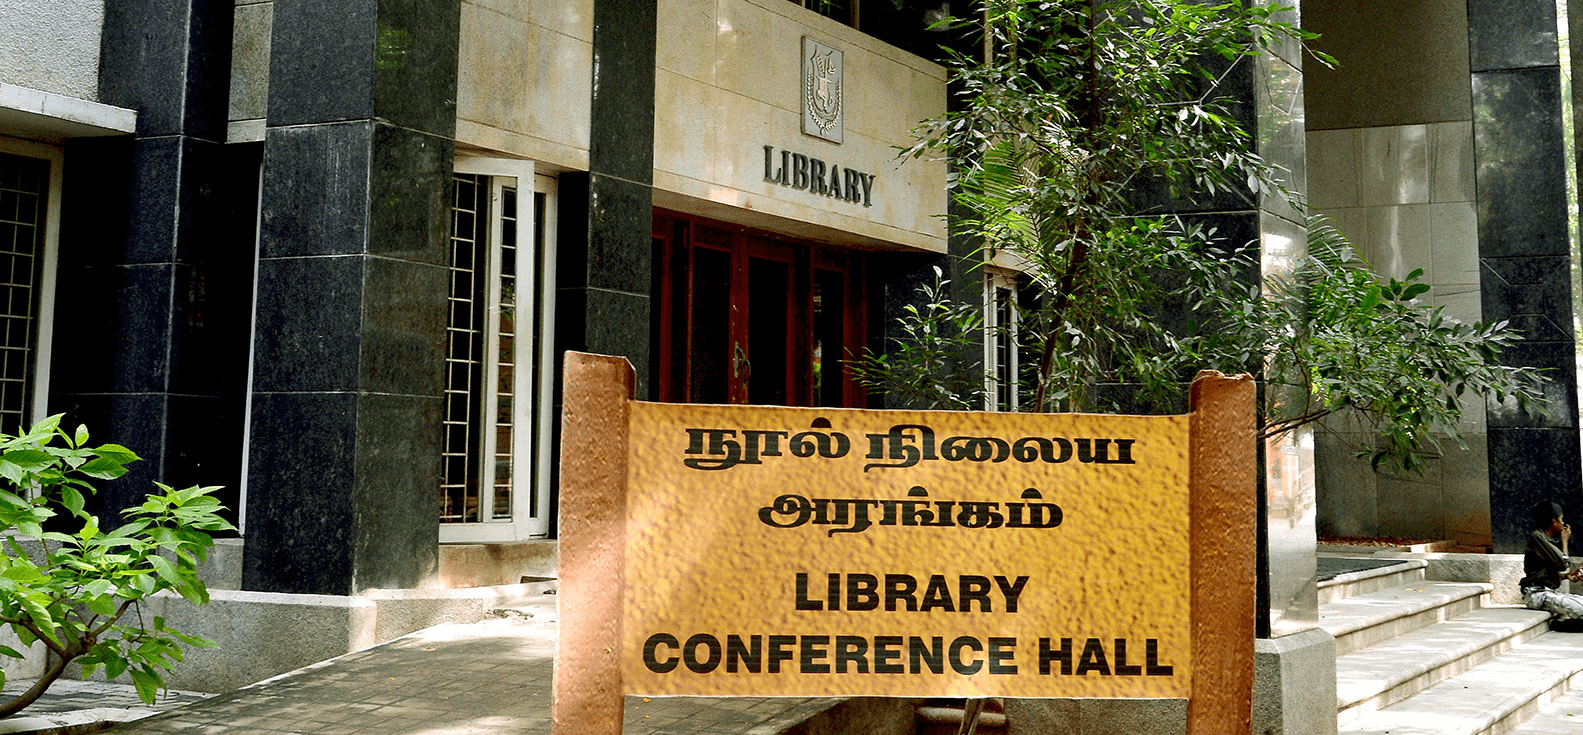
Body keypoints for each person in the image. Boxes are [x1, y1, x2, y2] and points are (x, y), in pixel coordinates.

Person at [1520, 501, 1583, 629]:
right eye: (1561, 519)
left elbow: (1543, 572)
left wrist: (1566, 576)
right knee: (1580, 609)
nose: (1563, 523)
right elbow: (1564, 563)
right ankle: (1561, 626)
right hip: (1537, 595)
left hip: (1549, 592)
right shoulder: (1537, 537)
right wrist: (1564, 541)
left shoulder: (1545, 538)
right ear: (1554, 521)